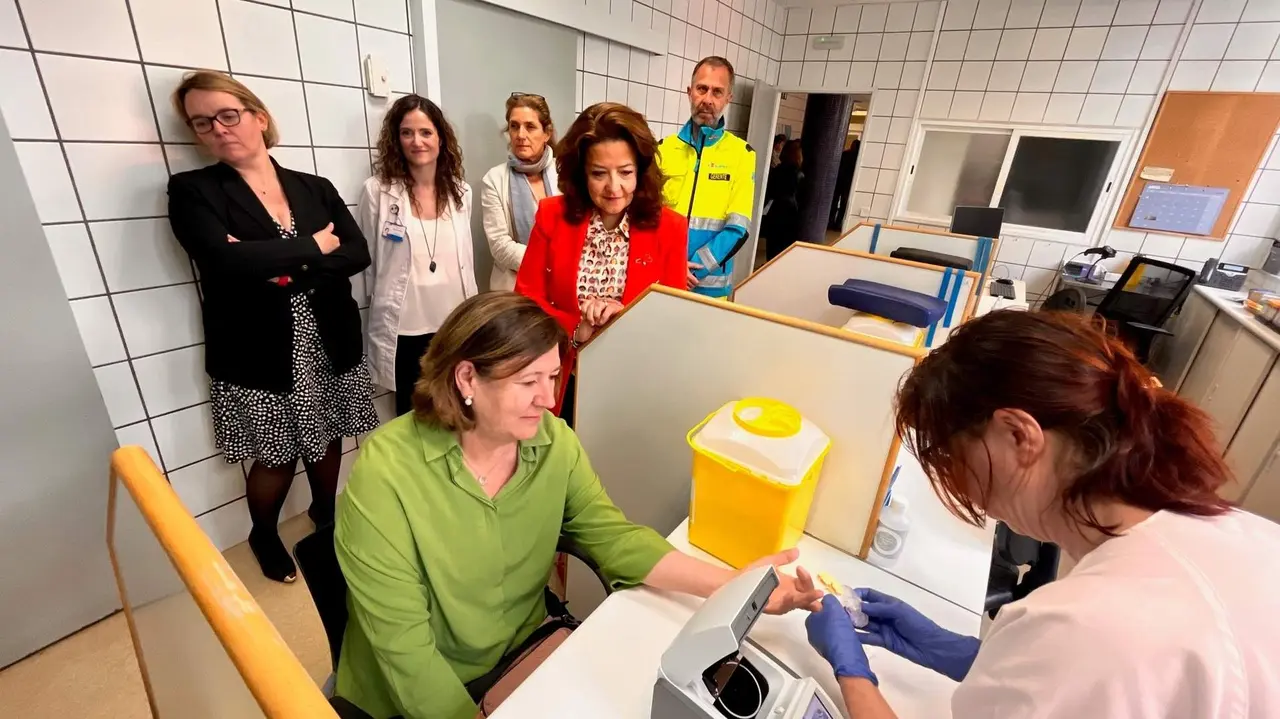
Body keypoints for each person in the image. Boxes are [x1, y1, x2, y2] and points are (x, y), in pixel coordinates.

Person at [333, 292, 824, 719]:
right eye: (528, 383)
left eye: (553, 376)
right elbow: (405, 651)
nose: (548, 399)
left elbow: (613, 537)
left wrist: (740, 589)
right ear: (466, 379)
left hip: (520, 650)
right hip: (421, 689)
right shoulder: (386, 473)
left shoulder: (552, 442)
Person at [803, 311, 1280, 718]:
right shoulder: (1246, 535)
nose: (954, 479)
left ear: (1017, 435)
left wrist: (851, 672)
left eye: (949, 455)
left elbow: (1085, 664)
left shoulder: (1085, 628)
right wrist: (979, 657)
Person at [166, 71, 378, 583]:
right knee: (275, 452)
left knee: (328, 437)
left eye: (228, 114)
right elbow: (221, 261)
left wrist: (270, 263)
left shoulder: (314, 187)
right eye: (202, 122)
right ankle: (264, 533)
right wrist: (312, 247)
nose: (217, 129)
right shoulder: (193, 191)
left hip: (327, 337)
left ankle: (325, 514)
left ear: (258, 117)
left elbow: (356, 252)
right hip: (255, 346)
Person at [515, 102, 687, 415]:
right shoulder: (553, 215)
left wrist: (627, 317)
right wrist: (575, 328)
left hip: (632, 382)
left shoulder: (671, 228)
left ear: (641, 170)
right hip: (560, 377)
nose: (613, 188)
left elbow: (674, 319)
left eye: (625, 173)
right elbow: (525, 301)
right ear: (581, 174)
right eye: (598, 174)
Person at [359, 95, 478, 417]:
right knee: (412, 415)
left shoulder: (461, 192)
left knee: (458, 406)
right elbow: (370, 259)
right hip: (405, 325)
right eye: (406, 133)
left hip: (452, 321)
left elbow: (464, 257)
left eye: (425, 132)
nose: (417, 141)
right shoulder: (378, 191)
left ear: (441, 137)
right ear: (396, 140)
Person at [657, 56, 756, 299]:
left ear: (728, 98)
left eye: (717, 92)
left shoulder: (742, 155)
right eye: (702, 89)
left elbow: (738, 229)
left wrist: (693, 269)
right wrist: (673, 266)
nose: (708, 99)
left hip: (710, 288)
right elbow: (649, 217)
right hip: (662, 278)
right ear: (689, 92)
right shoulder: (662, 150)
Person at [481, 93, 559, 291]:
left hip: (561, 286)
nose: (520, 135)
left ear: (546, 133)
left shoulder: (565, 173)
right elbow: (499, 245)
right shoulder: (494, 179)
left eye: (530, 127)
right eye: (514, 126)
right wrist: (550, 262)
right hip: (513, 289)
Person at [762, 139, 803, 260]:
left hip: (775, 211)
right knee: (785, 250)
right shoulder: (799, 173)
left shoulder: (776, 171)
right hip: (791, 213)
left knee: (773, 248)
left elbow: (769, 192)